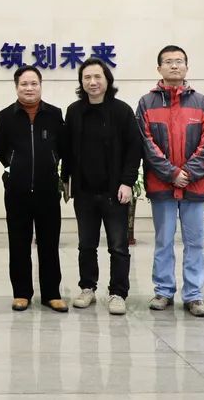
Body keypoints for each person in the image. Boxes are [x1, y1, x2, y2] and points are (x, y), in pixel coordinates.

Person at [136, 45, 204, 318]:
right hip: (162, 185)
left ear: (186, 67)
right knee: (163, 241)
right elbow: (146, 144)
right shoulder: (147, 103)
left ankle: (193, 295)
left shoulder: (201, 103)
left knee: (195, 242)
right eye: (168, 62)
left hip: (194, 186)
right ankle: (163, 291)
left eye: (179, 61)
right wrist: (171, 173)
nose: (174, 66)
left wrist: (188, 173)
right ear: (159, 68)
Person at [60, 57, 142, 316]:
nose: (92, 82)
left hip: (114, 192)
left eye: (97, 77)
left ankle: (118, 293)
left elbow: (134, 149)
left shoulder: (122, 111)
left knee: (118, 246)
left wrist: (127, 182)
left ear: (107, 80)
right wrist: (66, 179)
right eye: (87, 78)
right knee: (86, 244)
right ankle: (87, 288)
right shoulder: (74, 111)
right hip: (84, 192)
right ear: (81, 82)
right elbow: (67, 149)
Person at [0, 65, 66, 312]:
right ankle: (21, 293)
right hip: (17, 191)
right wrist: (14, 166)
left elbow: (63, 147)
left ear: (40, 85)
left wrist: (52, 163)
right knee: (19, 243)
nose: (29, 88)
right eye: (24, 84)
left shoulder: (54, 115)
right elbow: (0, 149)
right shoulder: (6, 116)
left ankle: (52, 293)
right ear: (16, 87)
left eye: (34, 83)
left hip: (48, 191)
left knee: (49, 243)